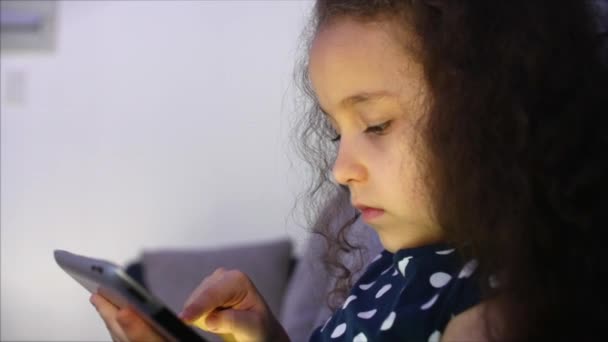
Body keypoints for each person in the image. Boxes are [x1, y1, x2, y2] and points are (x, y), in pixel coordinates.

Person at [90, 0, 608, 341]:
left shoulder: (490, 319)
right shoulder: (399, 266)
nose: (340, 169)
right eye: (339, 132)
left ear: (499, 115)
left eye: (377, 125)